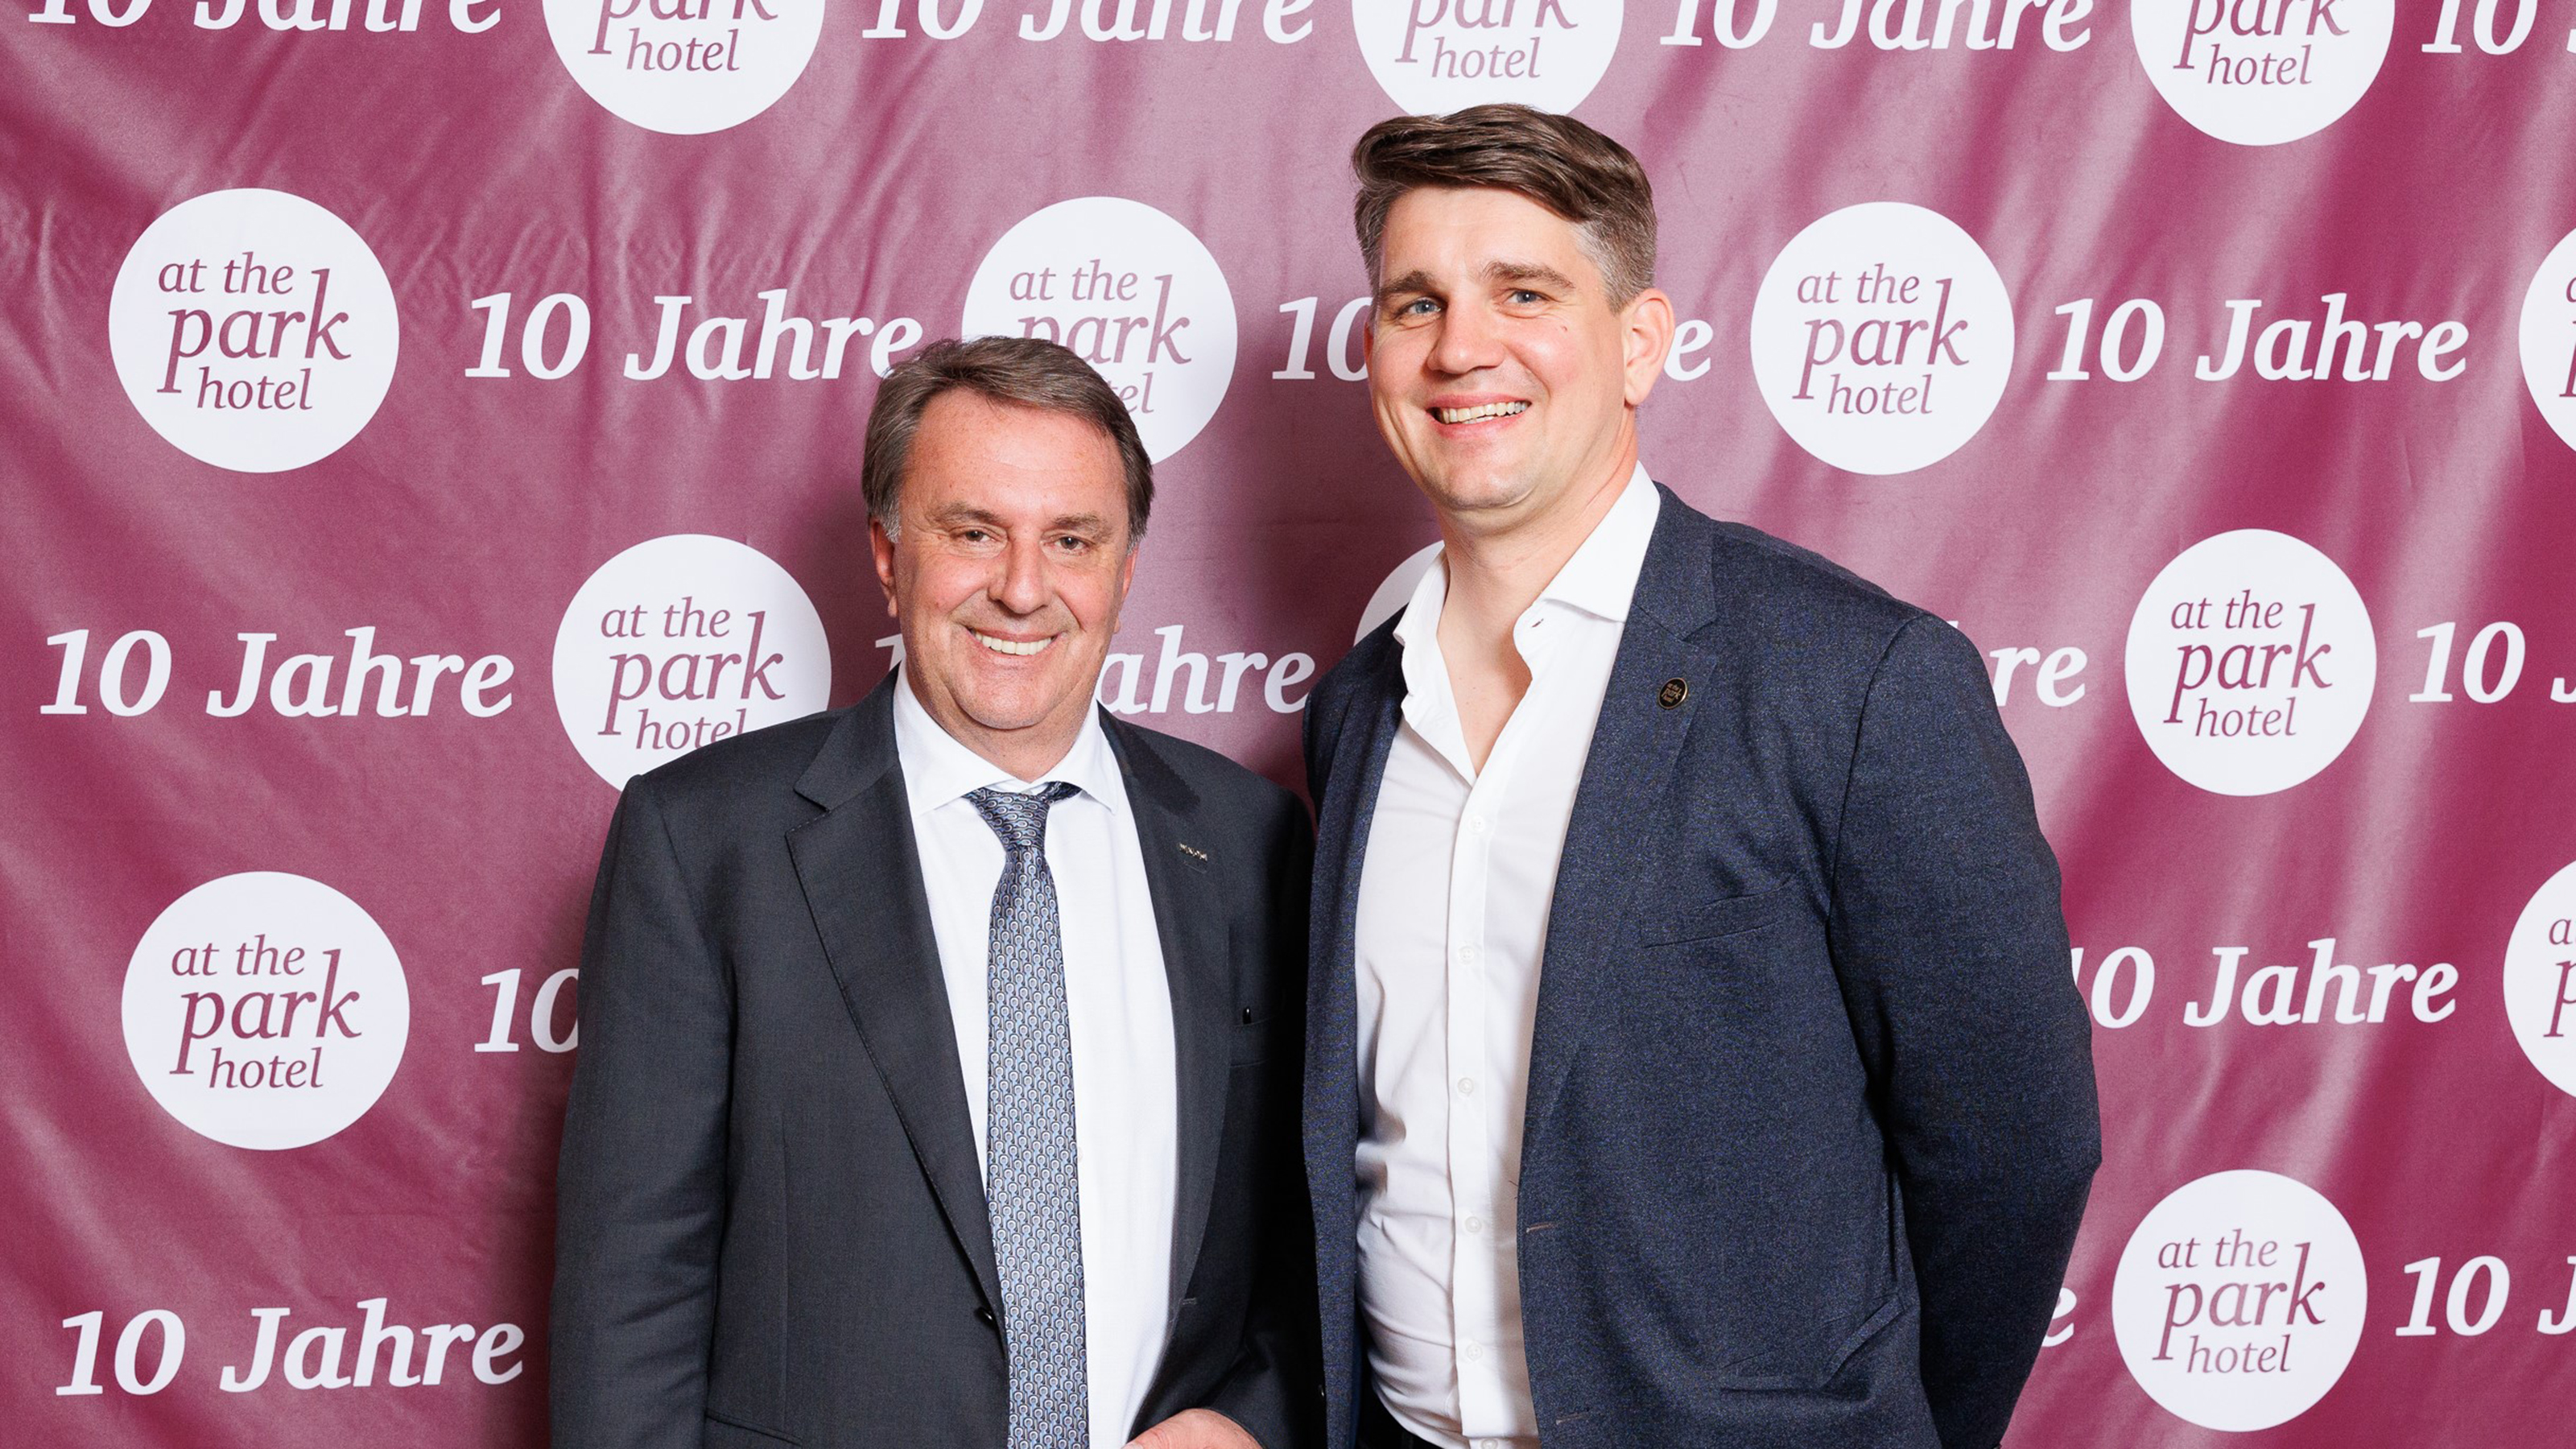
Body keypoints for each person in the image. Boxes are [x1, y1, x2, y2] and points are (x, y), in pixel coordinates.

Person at [1299, 105, 2100, 1449]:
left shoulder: (1854, 680)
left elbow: (2016, 1147)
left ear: (1640, 343)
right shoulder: (1357, 711)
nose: (1461, 347)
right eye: (1414, 302)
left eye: (1524, 293)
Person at [553, 336, 1315, 1449]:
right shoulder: (705, 842)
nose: (1022, 588)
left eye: (1072, 539)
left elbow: (1306, 1240)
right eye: (973, 533)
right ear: (887, 553)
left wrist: (1249, 1424)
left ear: (1124, 571)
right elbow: (629, 1294)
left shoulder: (1250, 843)